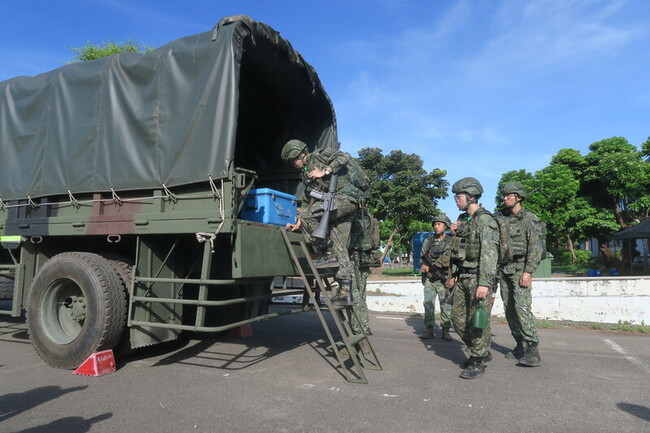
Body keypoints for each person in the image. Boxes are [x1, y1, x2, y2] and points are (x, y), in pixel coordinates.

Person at [281, 139, 362, 297]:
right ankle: (345, 290)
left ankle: (324, 251)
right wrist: (300, 220)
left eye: (293, 160)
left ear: (301, 154)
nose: (293, 164)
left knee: (308, 216)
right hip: (337, 205)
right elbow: (307, 198)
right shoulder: (305, 174)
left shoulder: (321, 155)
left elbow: (344, 156)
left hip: (347, 199)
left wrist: (325, 171)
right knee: (340, 244)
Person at [449, 177, 499, 379]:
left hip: (479, 277)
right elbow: (459, 250)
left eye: (458, 196)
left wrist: (485, 283)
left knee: (477, 321)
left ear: (471, 197)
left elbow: (489, 253)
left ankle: (477, 360)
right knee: (457, 318)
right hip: (463, 276)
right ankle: (481, 350)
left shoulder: (485, 220)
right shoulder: (464, 220)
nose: (456, 200)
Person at [498, 182, 544, 367]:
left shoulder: (529, 219)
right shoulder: (503, 219)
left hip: (520, 270)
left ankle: (533, 349)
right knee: (509, 309)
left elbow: (535, 247)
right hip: (505, 270)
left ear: (519, 197)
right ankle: (520, 344)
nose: (505, 198)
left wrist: (528, 271)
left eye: (509, 195)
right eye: (504, 195)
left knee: (522, 309)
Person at [418, 214, 455, 341]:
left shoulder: (451, 241)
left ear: (445, 226)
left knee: (446, 305)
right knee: (428, 303)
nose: (436, 226)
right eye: (435, 224)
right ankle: (429, 329)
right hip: (430, 278)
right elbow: (422, 256)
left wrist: (453, 277)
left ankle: (445, 330)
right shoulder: (429, 241)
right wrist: (423, 265)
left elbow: (455, 261)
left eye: (439, 224)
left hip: (445, 277)